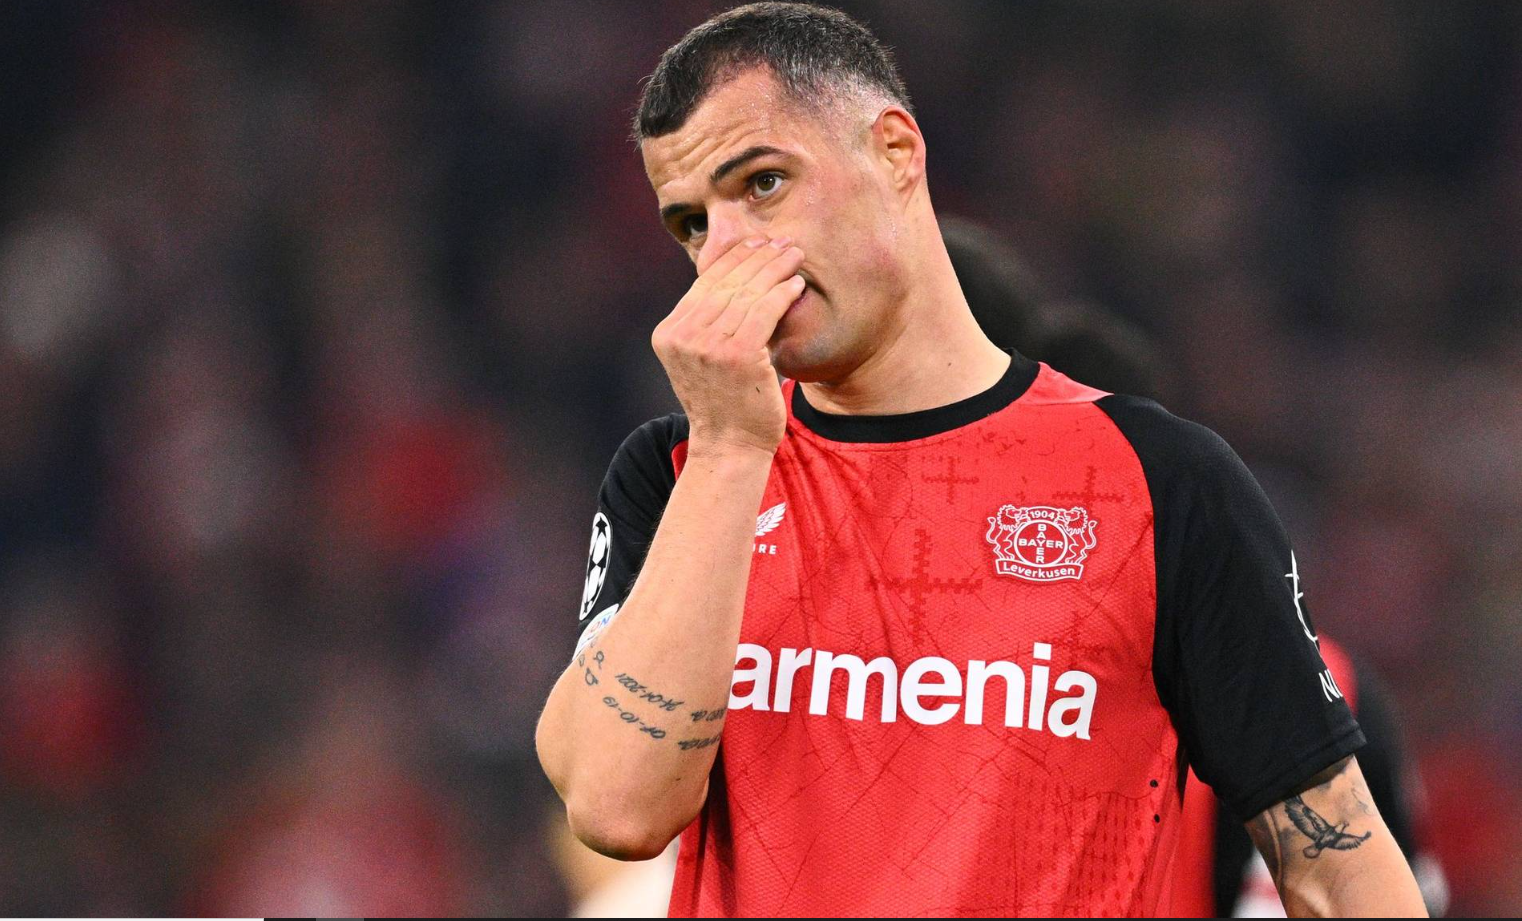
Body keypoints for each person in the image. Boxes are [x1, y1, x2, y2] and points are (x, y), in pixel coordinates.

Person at [535, 3, 1427, 916]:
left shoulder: (1159, 482)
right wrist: (731, 449)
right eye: (691, 224)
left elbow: (1338, 865)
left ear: (894, 151)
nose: (725, 254)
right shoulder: (677, 473)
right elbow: (617, 809)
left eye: (763, 184)